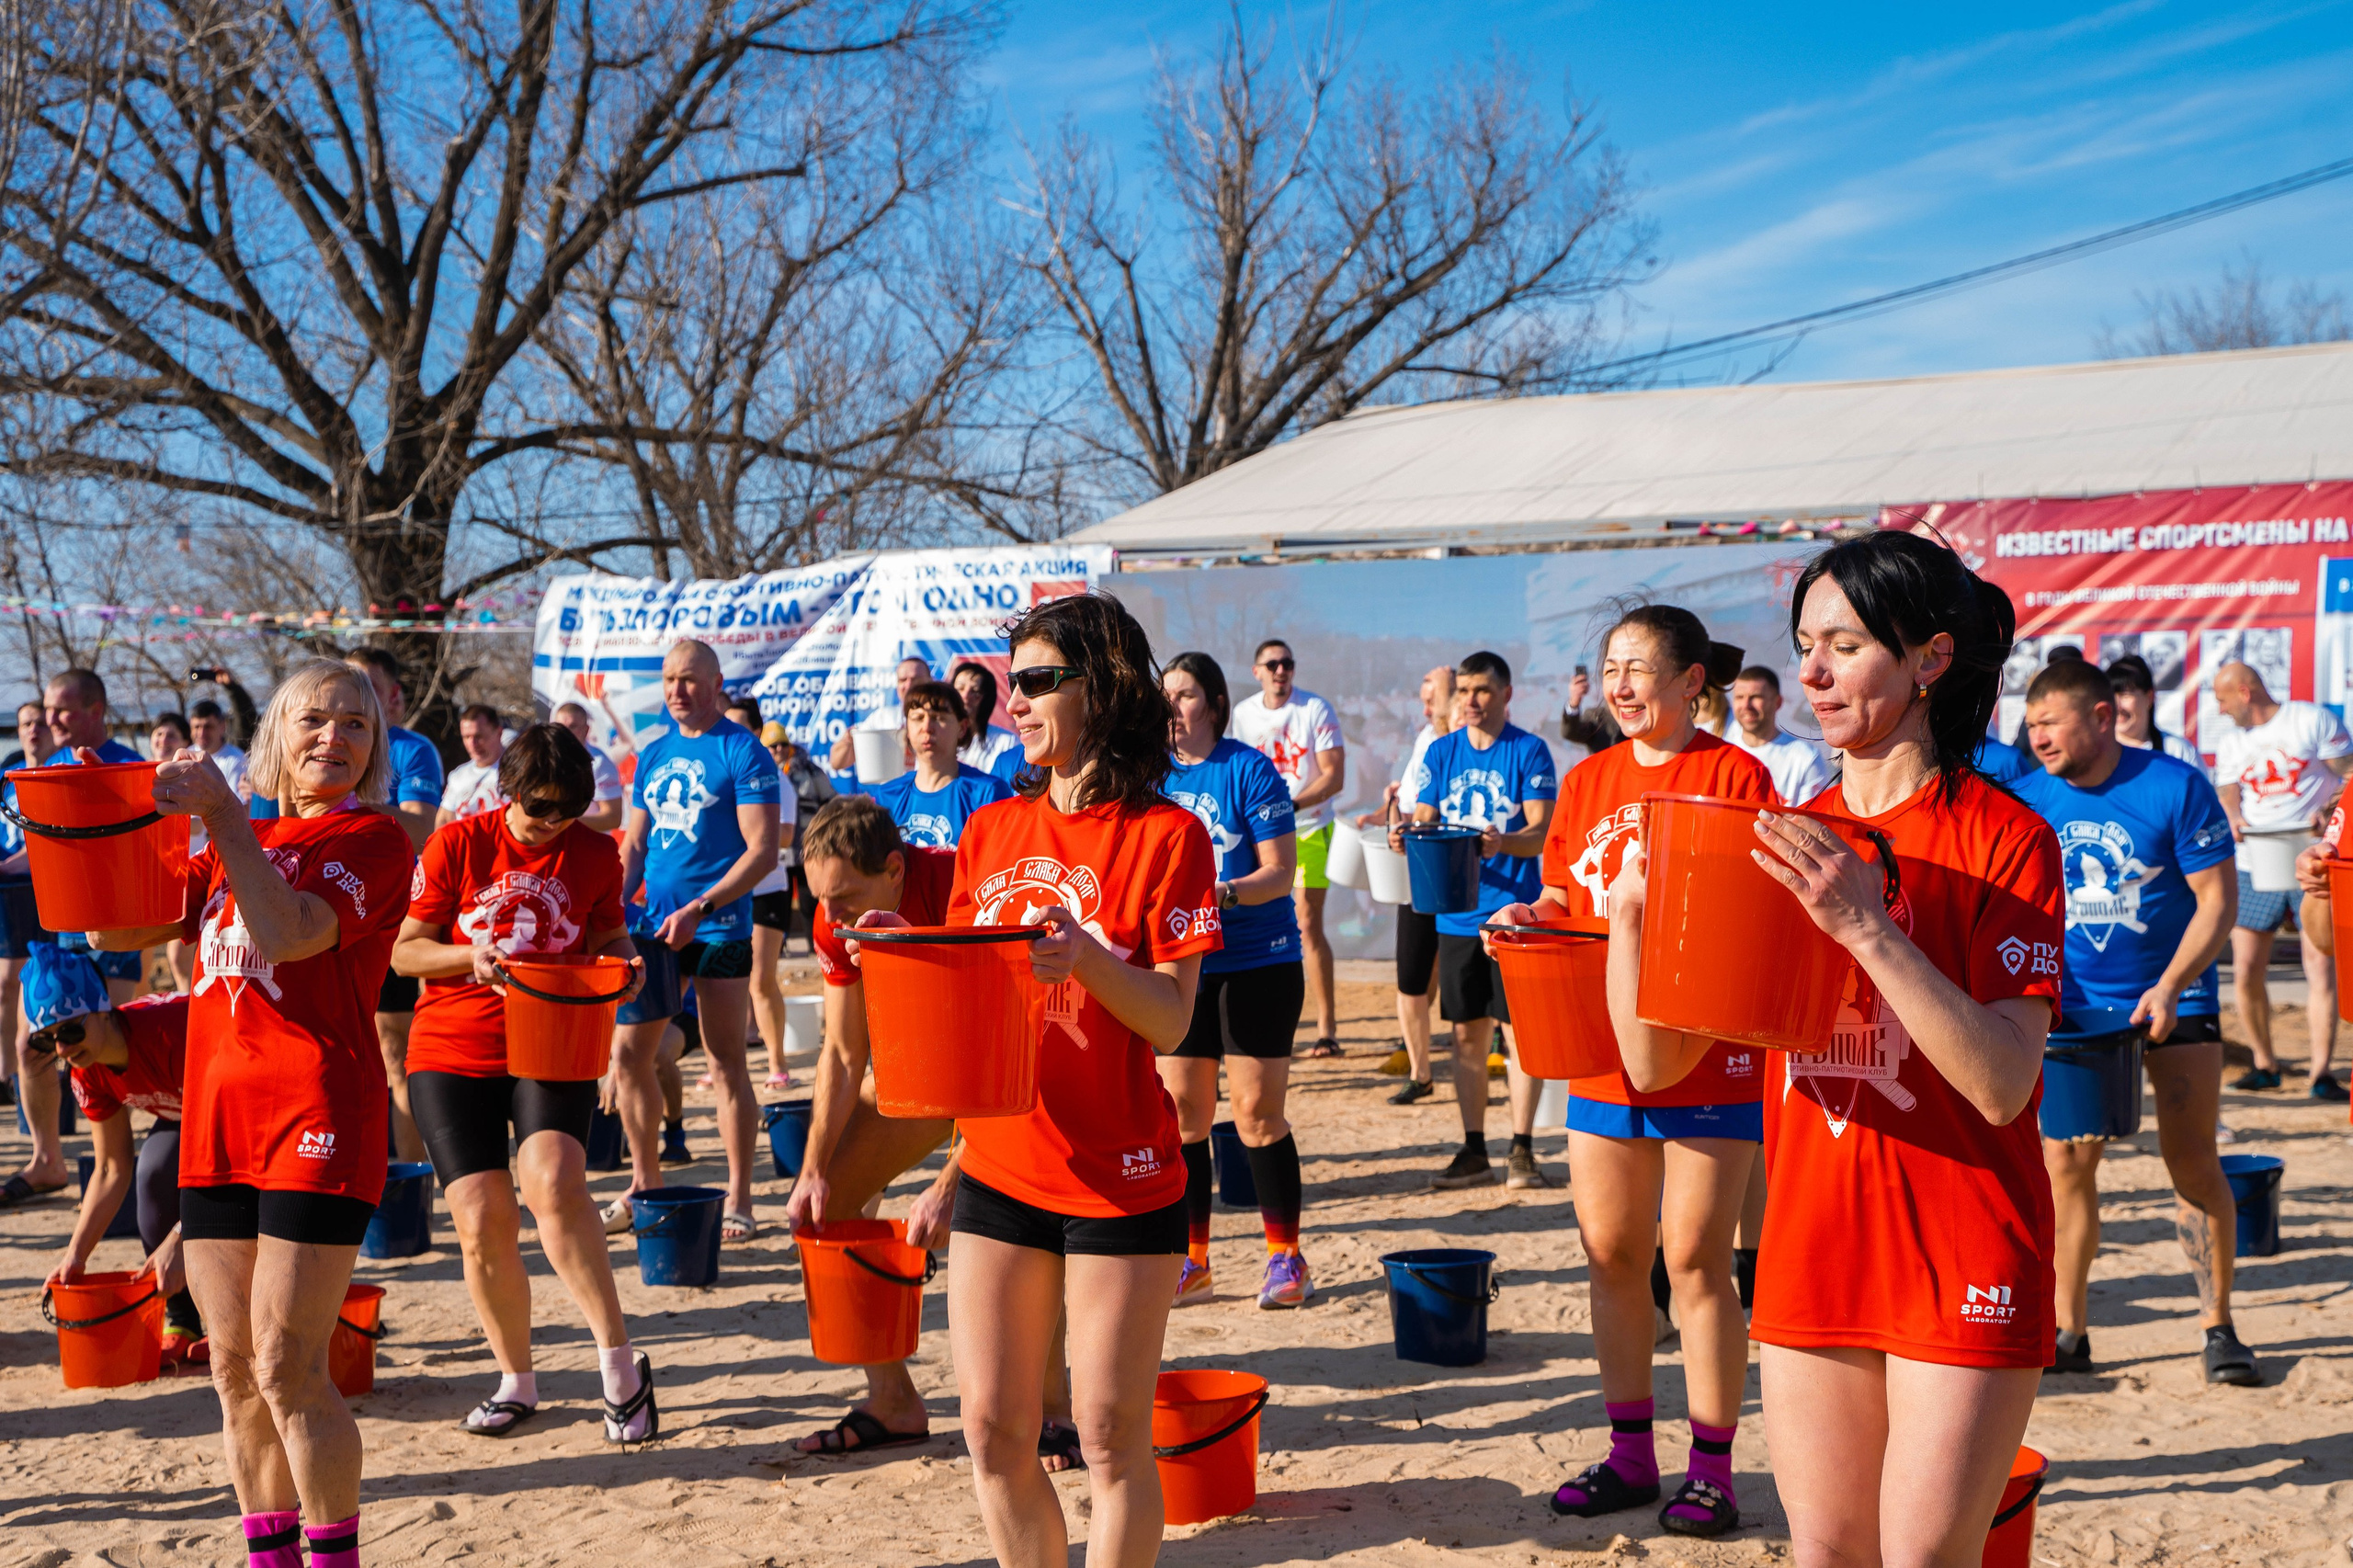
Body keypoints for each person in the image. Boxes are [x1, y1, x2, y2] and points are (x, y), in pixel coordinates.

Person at [1606, 530, 2062, 1567]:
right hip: (1813, 1246)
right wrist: (1630, 918)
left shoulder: (2005, 837)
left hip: (1963, 1249)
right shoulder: (1777, 830)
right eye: (1803, 641)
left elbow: (2001, 1081)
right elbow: (1656, 1066)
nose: (1808, 671)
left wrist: (1866, 925)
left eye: (1844, 644)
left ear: (1928, 659)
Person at [94, 657, 415, 1568]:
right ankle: (269, 1555)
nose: (335, 737)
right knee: (232, 1373)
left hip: (318, 1113)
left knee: (286, 1366)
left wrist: (223, 813)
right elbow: (117, 928)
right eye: (315, 718)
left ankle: (334, 1557)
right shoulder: (242, 835)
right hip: (218, 1121)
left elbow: (289, 930)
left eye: (356, 724)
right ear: (278, 734)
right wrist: (102, 829)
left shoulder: (373, 839)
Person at [915, 591, 1215, 1567]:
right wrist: (900, 960)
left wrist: (1084, 956)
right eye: (1012, 686)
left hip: (1122, 1177)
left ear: (1107, 687)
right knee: (994, 1430)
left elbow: (1171, 1017)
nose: (1017, 704)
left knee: (1106, 1435)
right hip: (1002, 1168)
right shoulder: (990, 832)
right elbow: (975, 1029)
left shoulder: (1169, 836)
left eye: (1040, 682)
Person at [1491, 608, 1766, 1537]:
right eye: (1611, 666)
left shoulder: (1737, 775)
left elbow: (1750, 914)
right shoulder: (1589, 779)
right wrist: (1538, 912)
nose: (1619, 683)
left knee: (1693, 1256)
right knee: (1611, 1253)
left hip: (1707, 1051)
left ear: (1693, 681)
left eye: (1639, 666)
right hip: (1603, 1052)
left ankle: (1713, 1466)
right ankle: (1629, 1454)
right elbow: (1569, 893)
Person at [391, 723, 660, 1441]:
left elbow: (609, 935)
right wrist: (466, 958)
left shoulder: (598, 852)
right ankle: (516, 1379)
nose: (553, 826)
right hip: (453, 1045)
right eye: (540, 810)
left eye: (569, 812)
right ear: (507, 793)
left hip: (554, 1037)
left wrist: (626, 964)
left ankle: (619, 1363)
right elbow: (406, 954)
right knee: (481, 1221)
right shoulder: (457, 843)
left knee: (553, 1183)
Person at [2011, 660, 2257, 1385]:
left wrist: (2173, 984)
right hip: (2078, 1016)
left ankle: (2220, 1329)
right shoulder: (2027, 800)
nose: (2039, 737)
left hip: (2177, 1002)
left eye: (2050, 722)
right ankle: (2068, 1332)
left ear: (2101, 717)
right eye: (2030, 726)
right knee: (2068, 1165)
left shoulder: (2174, 786)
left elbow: (2218, 903)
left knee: (2190, 1162)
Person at [608, 641, 781, 1241]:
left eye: (689, 679)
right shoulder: (652, 755)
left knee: (725, 1059)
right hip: (653, 928)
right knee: (629, 1057)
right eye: (669, 680)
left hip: (720, 925)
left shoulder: (743, 750)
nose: (678, 690)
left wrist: (703, 905)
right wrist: (611, 907)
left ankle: (740, 1196)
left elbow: (763, 852)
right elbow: (634, 846)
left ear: (715, 684)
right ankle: (645, 1182)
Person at [1161, 652, 1310, 1309]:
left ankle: (1286, 1258)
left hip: (1259, 958)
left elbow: (1280, 871)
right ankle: (1194, 1262)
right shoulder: (1149, 777)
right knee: (1185, 1116)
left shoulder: (1248, 769)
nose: (1173, 707)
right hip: (1182, 965)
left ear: (1215, 704)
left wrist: (1221, 895)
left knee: (1256, 1115)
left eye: (1186, 695)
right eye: (1166, 695)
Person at [1396, 651, 1557, 1191]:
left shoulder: (1529, 750)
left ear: (1506, 695)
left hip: (1514, 918)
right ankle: (1473, 1150)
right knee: (1466, 1039)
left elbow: (1541, 832)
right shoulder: (1441, 752)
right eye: (1463, 690)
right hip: (1458, 916)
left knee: (1519, 1037)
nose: (1470, 700)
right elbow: (1425, 820)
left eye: (1482, 690)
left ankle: (1522, 1150)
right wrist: (1404, 835)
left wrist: (1501, 841)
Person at [4, 670, 142, 1204]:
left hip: (116, 935)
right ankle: (47, 1161)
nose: (50, 720)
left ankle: (121, 1168)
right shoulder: (41, 773)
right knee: (31, 1046)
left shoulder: (131, 765)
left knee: (112, 1056)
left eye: (61, 710)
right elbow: (32, 850)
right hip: (55, 934)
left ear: (95, 709)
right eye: (46, 709)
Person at [41, 976, 206, 1363]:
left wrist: (183, 1235)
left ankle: (246, 1323)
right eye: (47, 1039)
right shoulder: (86, 1068)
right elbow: (112, 1168)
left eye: (69, 1029)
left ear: (102, 1009)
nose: (62, 1048)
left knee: (227, 1197)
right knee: (153, 1171)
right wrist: (75, 1257)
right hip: (192, 1115)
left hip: (256, 1114)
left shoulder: (171, 1033)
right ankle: (183, 1320)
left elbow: (238, 1143)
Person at [2211, 660, 2352, 1101]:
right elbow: (2229, 789)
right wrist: (2233, 815)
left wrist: (2329, 808)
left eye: (2222, 699)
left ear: (2245, 692)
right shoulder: (2233, 742)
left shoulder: (2309, 720)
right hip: (2256, 862)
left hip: (2313, 860)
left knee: (2319, 965)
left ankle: (2321, 1072)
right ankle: (2264, 1064)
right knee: (2248, 967)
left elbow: (2348, 772)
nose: (2219, 709)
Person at [1232, 638, 1347, 1058]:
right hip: (1257, 835)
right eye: (1273, 664)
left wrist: (1286, 806)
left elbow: (1334, 777)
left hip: (1309, 828)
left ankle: (1327, 1028)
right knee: (1251, 918)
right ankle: (1253, 1026)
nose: (1281, 671)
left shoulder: (1315, 708)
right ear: (1256, 671)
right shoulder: (1242, 714)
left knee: (1307, 923)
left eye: (1288, 664)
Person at [1361, 666, 1456, 1103]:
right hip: (1421, 869)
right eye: (1422, 696)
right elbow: (1417, 803)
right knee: (1413, 976)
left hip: (1457, 872)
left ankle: (1481, 1052)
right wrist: (1392, 814)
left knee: (1451, 978)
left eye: (1432, 696)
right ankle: (1420, 1069)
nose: (1424, 705)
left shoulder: (1459, 744)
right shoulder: (1426, 737)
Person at [0, 699, 58, 1148]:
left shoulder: (56, 771)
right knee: (6, 985)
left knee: (45, 987)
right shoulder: (7, 777)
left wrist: (9, 867)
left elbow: (44, 840)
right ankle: (7, 1076)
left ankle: (53, 1086)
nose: (33, 730)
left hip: (48, 893)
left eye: (40, 722)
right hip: (11, 896)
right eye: (25, 724)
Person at [869, 682, 1014, 848]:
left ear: (962, 727)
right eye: (918, 718)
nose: (927, 728)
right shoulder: (887, 795)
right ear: (906, 727)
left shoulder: (988, 793)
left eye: (939, 718)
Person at [1727, 666, 1837, 805]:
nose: (1746, 705)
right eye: (1739, 697)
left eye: (1756, 697)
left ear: (1778, 702)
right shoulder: (1720, 751)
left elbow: (1814, 818)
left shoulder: (1805, 758)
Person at [828, 654, 933, 776]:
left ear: (930, 681)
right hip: (893, 792)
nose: (908, 685)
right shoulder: (882, 718)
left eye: (916, 680)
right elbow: (837, 763)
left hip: (931, 791)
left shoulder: (942, 717)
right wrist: (849, 740)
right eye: (903, 680)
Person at [2105, 655, 2203, 768]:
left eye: (2125, 695)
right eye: (2110, 697)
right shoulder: (2096, 754)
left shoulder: (2177, 751)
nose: (2118, 707)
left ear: (2149, 697)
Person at [551, 701, 628, 833]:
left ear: (586, 730)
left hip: (588, 847)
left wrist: (564, 825)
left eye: (572, 727)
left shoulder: (599, 764)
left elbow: (613, 817)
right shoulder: (545, 759)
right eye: (560, 727)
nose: (565, 732)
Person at [438, 705, 510, 824]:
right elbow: (443, 821)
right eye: (466, 737)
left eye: (479, 736)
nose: (472, 744)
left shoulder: (518, 771)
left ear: (499, 733)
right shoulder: (458, 776)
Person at [953, 662, 1024, 780]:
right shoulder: (937, 738)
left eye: (975, 691)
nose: (965, 695)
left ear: (986, 699)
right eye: (960, 688)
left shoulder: (1007, 742)